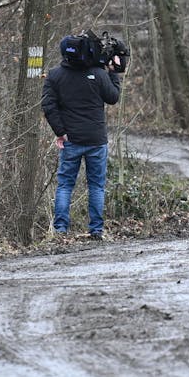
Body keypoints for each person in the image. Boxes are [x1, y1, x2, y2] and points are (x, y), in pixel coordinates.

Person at [41, 31, 126, 240]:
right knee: (96, 185)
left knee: (65, 185)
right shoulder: (98, 74)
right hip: (96, 140)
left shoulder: (55, 75)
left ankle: (60, 230)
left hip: (72, 140)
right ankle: (96, 229)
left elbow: (48, 106)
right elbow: (113, 98)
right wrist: (112, 72)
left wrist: (60, 132)